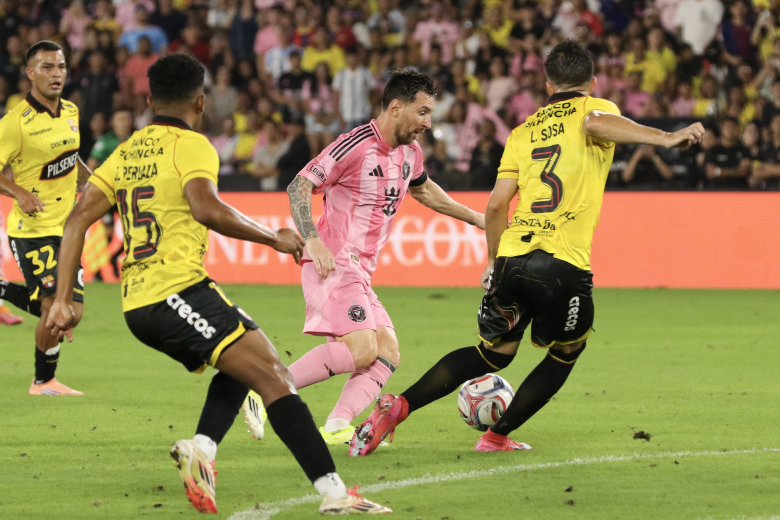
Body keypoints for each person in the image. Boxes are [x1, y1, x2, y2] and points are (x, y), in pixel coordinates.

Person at [44, 53, 389, 516]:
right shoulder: (192, 146)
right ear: (201, 102)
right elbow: (205, 207)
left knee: (244, 363)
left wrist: (62, 299)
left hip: (139, 300)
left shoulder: (125, 152)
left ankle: (203, 450)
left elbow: (76, 221)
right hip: (174, 291)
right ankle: (334, 494)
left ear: (149, 102)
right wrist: (272, 237)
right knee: (275, 378)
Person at [349, 39, 704, 457]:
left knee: (493, 354)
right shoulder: (595, 109)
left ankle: (398, 405)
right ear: (592, 83)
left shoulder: (522, 133)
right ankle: (495, 436)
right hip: (561, 262)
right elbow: (595, 124)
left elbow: (496, 205)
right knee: (568, 350)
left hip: (512, 257)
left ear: (549, 85)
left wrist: (493, 261)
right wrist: (666, 138)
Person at [243, 70, 485, 447]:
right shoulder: (354, 145)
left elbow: (425, 191)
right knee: (363, 348)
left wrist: (477, 218)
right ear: (396, 108)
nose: (428, 122)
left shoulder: (410, 153)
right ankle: (266, 387)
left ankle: (338, 424)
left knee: (387, 351)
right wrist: (312, 241)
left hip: (359, 271)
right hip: (333, 262)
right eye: (422, 112)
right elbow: (299, 185)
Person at [0, 41, 92, 396]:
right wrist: (18, 192)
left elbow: (71, 157)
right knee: (54, 305)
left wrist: (92, 183)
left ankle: (2, 289)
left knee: (71, 312)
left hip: (67, 228)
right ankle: (43, 382)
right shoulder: (15, 122)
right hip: (33, 230)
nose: (57, 74)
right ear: (30, 73)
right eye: (47, 67)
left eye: (61, 66)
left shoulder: (71, 111)